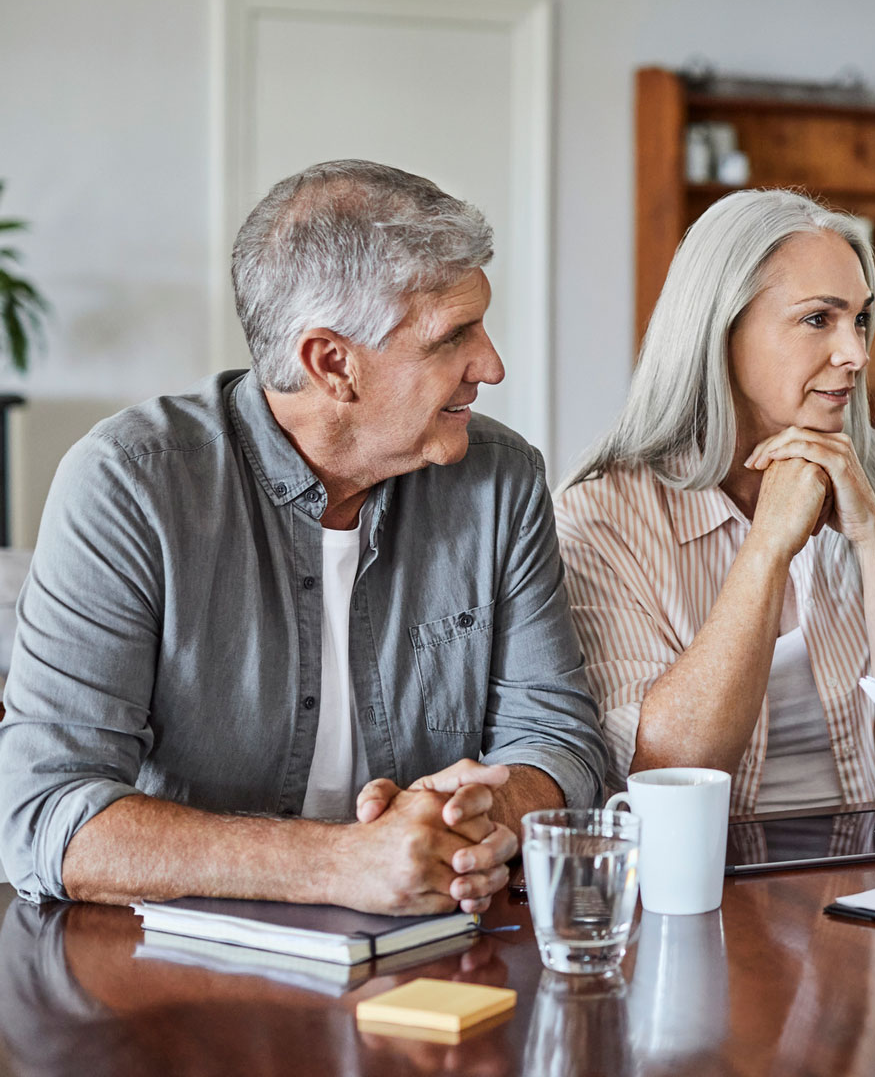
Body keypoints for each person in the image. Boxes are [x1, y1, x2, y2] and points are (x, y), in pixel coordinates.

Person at [0, 160, 606, 913]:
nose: (491, 364)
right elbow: (44, 816)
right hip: (170, 976)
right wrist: (340, 864)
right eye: (453, 337)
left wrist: (479, 819)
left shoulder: (500, 479)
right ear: (332, 363)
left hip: (434, 954)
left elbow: (561, 742)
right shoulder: (129, 484)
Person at [555, 188, 875, 814]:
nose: (857, 354)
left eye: (861, 318)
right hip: (713, 881)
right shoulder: (602, 519)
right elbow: (667, 774)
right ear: (720, 331)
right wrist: (766, 547)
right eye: (819, 318)